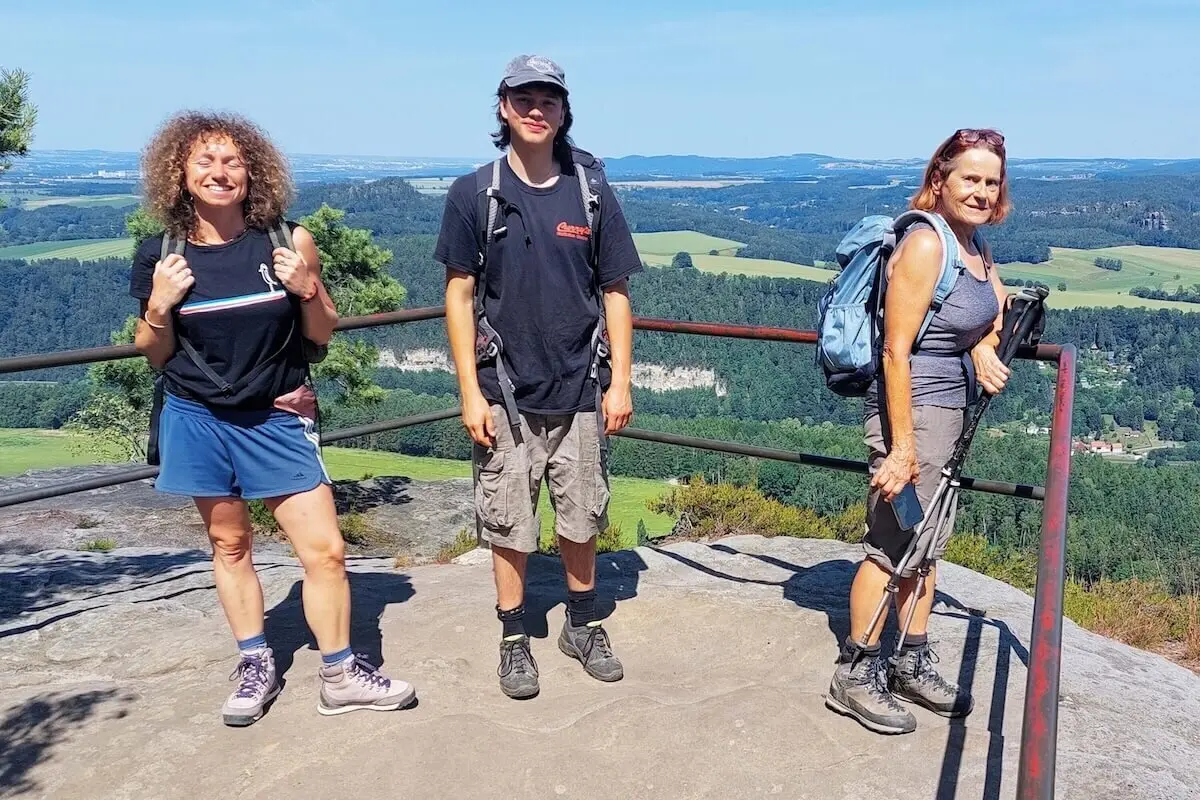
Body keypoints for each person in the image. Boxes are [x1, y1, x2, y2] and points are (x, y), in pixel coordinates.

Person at [130, 111, 415, 726]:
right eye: (204, 161)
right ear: (179, 174)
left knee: (325, 550)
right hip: (196, 415)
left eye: (231, 160)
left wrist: (308, 286)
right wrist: (158, 303)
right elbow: (154, 350)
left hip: (277, 415)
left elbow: (322, 336)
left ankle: (339, 673)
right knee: (229, 543)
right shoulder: (161, 253)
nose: (219, 172)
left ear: (251, 171)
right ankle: (255, 661)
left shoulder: (286, 240)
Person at [435, 55, 642, 699]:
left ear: (563, 110)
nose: (537, 109)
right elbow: (459, 293)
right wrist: (469, 390)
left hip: (581, 384)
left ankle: (583, 624)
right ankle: (515, 637)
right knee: (508, 520)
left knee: (581, 516)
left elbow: (616, 292)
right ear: (503, 107)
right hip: (505, 391)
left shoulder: (591, 191)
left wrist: (622, 381)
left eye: (548, 99)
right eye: (524, 98)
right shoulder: (475, 193)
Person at [825, 129, 1014, 734]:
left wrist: (983, 343)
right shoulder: (928, 244)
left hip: (948, 413)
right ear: (941, 177)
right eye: (970, 179)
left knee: (926, 544)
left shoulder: (973, 244)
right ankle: (854, 673)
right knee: (892, 544)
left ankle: (909, 657)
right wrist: (901, 447)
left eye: (991, 181)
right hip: (912, 413)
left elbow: (994, 304)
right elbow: (895, 352)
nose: (982, 192)